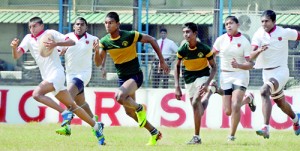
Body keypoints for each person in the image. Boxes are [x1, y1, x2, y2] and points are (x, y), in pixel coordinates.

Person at [10, 16, 105, 145]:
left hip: (58, 74)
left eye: (35, 26)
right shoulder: (28, 39)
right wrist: (13, 48)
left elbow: (71, 42)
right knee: (74, 105)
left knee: (37, 94)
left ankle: (65, 114)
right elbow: (17, 56)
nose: (32, 29)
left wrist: (55, 44)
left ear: (41, 26)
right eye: (30, 27)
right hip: (52, 76)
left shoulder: (51, 34)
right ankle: (96, 126)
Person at [94, 12, 170, 146]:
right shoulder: (104, 41)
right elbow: (98, 62)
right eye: (106, 23)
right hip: (123, 79)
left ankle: (140, 108)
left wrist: (162, 61)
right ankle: (154, 132)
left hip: (135, 76)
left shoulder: (130, 35)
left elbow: (152, 39)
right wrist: (96, 52)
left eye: (110, 23)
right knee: (129, 112)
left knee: (119, 97)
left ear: (118, 24)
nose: (107, 25)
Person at [250, 10, 300, 139]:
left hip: (281, 71)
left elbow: (298, 35)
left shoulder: (283, 32)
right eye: (262, 21)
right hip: (266, 72)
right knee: (280, 102)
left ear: (274, 21)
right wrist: (259, 50)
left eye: (266, 21)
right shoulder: (258, 34)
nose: (264, 24)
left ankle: (265, 128)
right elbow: (251, 55)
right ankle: (296, 120)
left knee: (264, 90)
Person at [55, 17, 104, 137]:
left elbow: (98, 63)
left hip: (84, 74)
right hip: (70, 74)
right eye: (77, 24)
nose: (79, 26)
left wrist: (97, 52)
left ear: (86, 27)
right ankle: (95, 122)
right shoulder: (66, 38)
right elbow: (57, 53)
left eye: (82, 24)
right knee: (80, 103)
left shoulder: (93, 39)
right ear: (73, 26)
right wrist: (60, 53)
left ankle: (67, 125)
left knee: (69, 95)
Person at [212, 16, 256, 141]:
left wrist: (239, 65)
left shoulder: (244, 41)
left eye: (231, 23)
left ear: (237, 25)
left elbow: (251, 64)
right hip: (225, 75)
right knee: (228, 111)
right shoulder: (221, 40)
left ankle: (231, 136)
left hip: (240, 74)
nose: (228, 26)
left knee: (236, 104)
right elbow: (212, 55)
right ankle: (249, 99)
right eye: (226, 24)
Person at [174, 22, 217, 144]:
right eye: (184, 32)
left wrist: (208, 82)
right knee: (197, 109)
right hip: (189, 79)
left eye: (188, 32)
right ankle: (210, 93)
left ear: (195, 33)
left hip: (202, 76)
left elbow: (214, 67)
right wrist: (177, 86)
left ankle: (196, 136)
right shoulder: (182, 49)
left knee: (195, 101)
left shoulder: (204, 48)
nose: (185, 34)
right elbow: (176, 67)